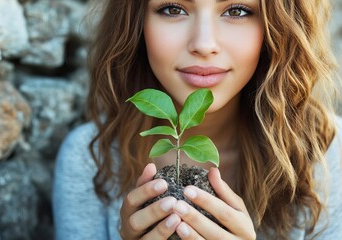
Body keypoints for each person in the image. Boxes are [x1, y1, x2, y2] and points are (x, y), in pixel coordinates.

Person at [53, 0, 342, 239]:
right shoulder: (91, 157)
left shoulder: (326, 151)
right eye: (173, 9)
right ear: (136, 22)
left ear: (278, 26)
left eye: (237, 10)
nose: (204, 44)